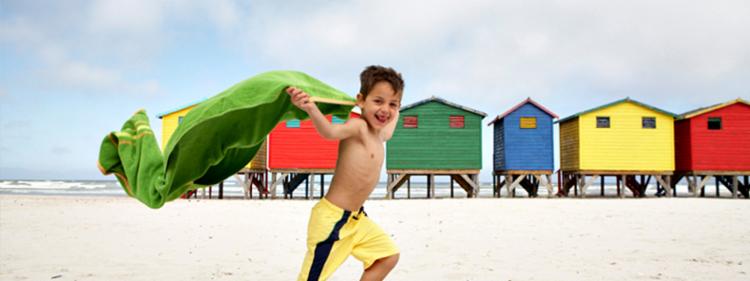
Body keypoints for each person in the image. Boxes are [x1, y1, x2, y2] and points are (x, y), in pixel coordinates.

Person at [287, 65, 404, 281]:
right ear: (361, 100)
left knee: (387, 256)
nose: (385, 109)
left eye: (392, 104)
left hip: (356, 220)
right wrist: (311, 108)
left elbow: (393, 118)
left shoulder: (381, 134)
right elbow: (330, 132)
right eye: (378, 101)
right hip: (332, 220)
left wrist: (395, 108)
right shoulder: (358, 127)